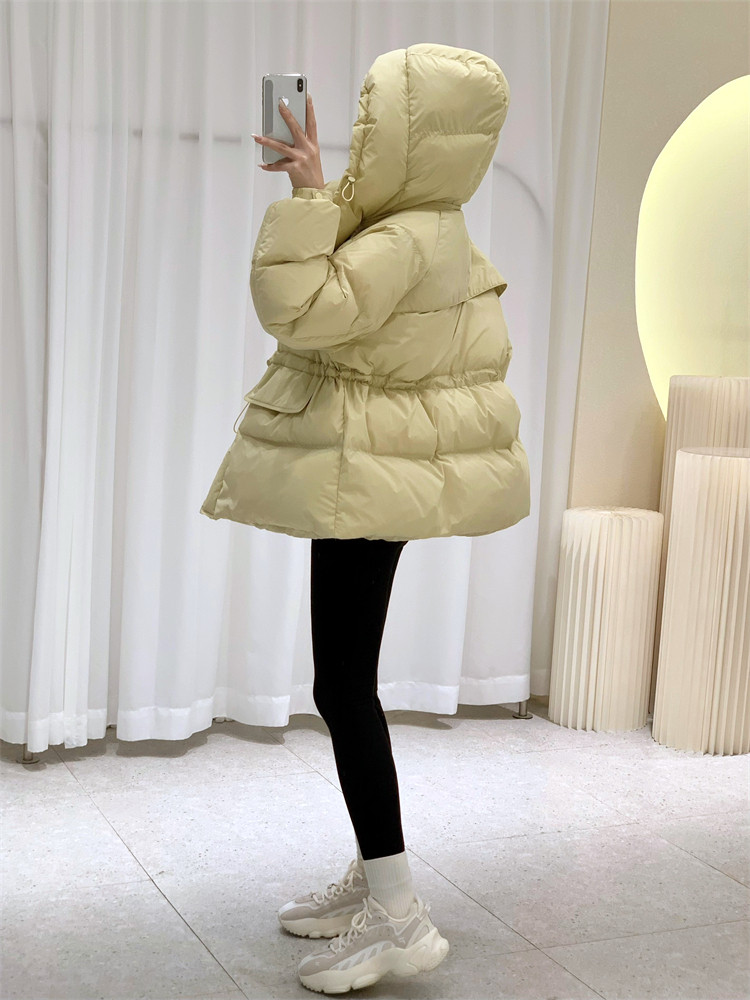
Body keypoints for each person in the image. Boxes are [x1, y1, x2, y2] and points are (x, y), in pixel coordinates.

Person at [201, 42, 531, 995]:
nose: (356, 133)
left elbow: (299, 306)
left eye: (371, 121)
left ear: (412, 138)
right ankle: (373, 874)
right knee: (347, 683)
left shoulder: (408, 238)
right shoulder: (428, 222)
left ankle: (399, 913)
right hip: (372, 475)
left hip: (368, 479)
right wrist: (317, 187)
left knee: (344, 688)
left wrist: (309, 199)